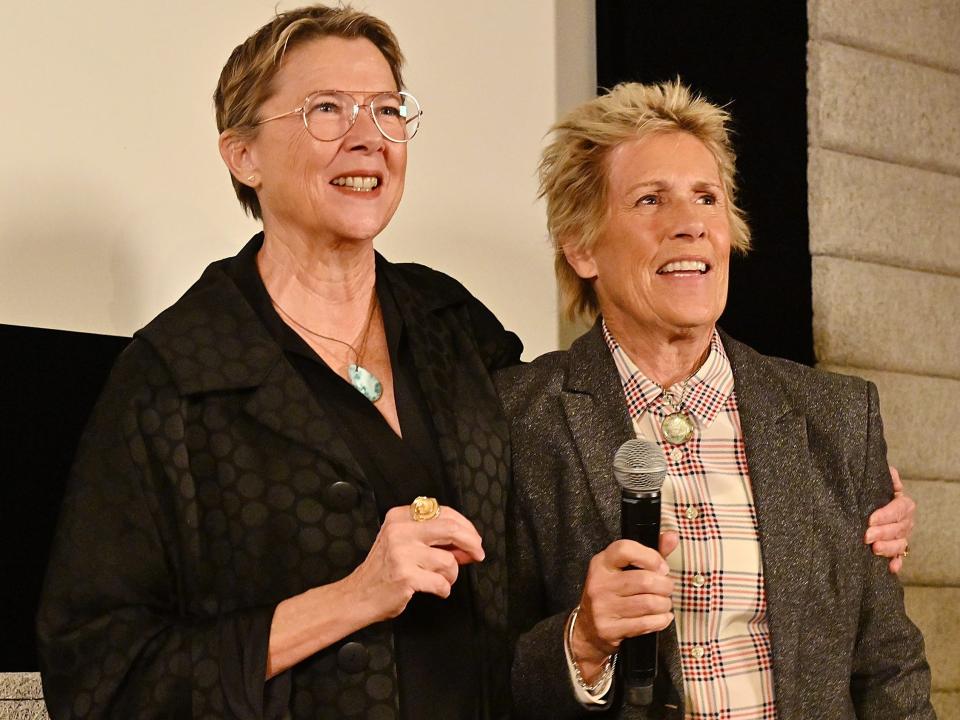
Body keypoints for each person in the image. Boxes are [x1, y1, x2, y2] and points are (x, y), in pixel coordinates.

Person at [37, 6, 520, 719]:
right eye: (328, 109)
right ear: (243, 154)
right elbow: (97, 676)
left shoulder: (460, 330)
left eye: (388, 111)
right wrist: (351, 600)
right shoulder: (176, 376)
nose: (369, 139)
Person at [497, 81, 932, 719]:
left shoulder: (838, 416)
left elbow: (888, 667)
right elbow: (475, 673)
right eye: (651, 200)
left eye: (708, 197)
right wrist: (581, 641)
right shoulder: (519, 417)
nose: (691, 224)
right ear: (582, 247)